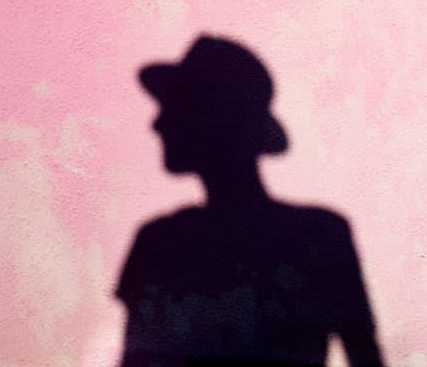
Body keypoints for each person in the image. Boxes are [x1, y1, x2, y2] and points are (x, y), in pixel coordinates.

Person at [116, 35, 384, 367]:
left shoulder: (162, 244)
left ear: (211, 120)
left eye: (175, 108)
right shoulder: (321, 235)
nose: (157, 124)